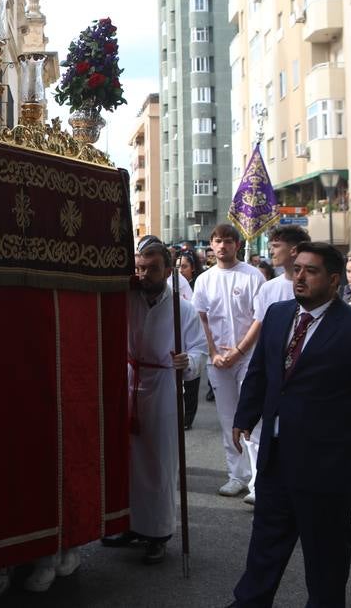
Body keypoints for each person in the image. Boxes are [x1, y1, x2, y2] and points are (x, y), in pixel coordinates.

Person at [225, 242, 351, 608]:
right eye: (297, 268)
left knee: (326, 557)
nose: (299, 276)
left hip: (327, 466)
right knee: (265, 546)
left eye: (311, 270)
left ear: (334, 280)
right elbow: (262, 372)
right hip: (276, 459)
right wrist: (245, 417)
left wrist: (340, 432)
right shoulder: (276, 314)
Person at [100, 236, 206, 564]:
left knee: (159, 462)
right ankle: (130, 524)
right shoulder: (127, 299)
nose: (144, 274)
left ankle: (158, 532)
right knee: (128, 460)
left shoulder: (182, 308)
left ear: (168, 270)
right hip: (130, 382)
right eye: (140, 268)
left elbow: (200, 349)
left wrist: (187, 361)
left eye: (153, 268)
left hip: (162, 387)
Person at [192, 224, 267, 499]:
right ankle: (236, 475)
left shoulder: (252, 276)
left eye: (227, 241)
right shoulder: (204, 280)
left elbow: (260, 318)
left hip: (248, 358)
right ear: (211, 245)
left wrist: (238, 350)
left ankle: (258, 482)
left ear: (237, 245)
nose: (222, 246)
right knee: (227, 420)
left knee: (251, 420)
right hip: (218, 361)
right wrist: (213, 353)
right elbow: (202, 319)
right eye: (217, 241)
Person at [241, 225, 309, 506]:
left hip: (303, 372)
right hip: (272, 370)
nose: (271, 252)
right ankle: (259, 483)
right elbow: (261, 328)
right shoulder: (269, 288)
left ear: (293, 250)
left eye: (276, 246)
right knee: (259, 432)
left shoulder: (312, 287)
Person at [176, 250, 202, 428]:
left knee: (191, 380)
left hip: (190, 332)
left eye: (184, 266)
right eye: (178, 266)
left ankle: (188, 417)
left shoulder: (190, 283)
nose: (180, 270)